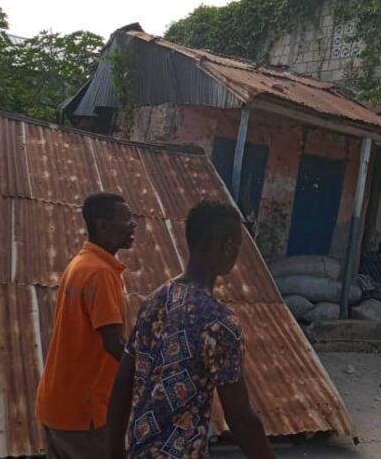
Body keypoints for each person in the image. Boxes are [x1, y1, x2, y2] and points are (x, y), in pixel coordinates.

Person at [107, 201, 274, 459]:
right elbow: (241, 418)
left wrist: (114, 452)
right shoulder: (220, 324)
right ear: (228, 246)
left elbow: (122, 383)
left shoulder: (153, 301)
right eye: (237, 245)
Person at [36, 192, 137, 459]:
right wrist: (156, 371)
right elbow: (114, 344)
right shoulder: (101, 273)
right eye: (126, 218)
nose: (133, 224)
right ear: (102, 225)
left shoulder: (80, 264)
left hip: (56, 405)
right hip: (84, 413)